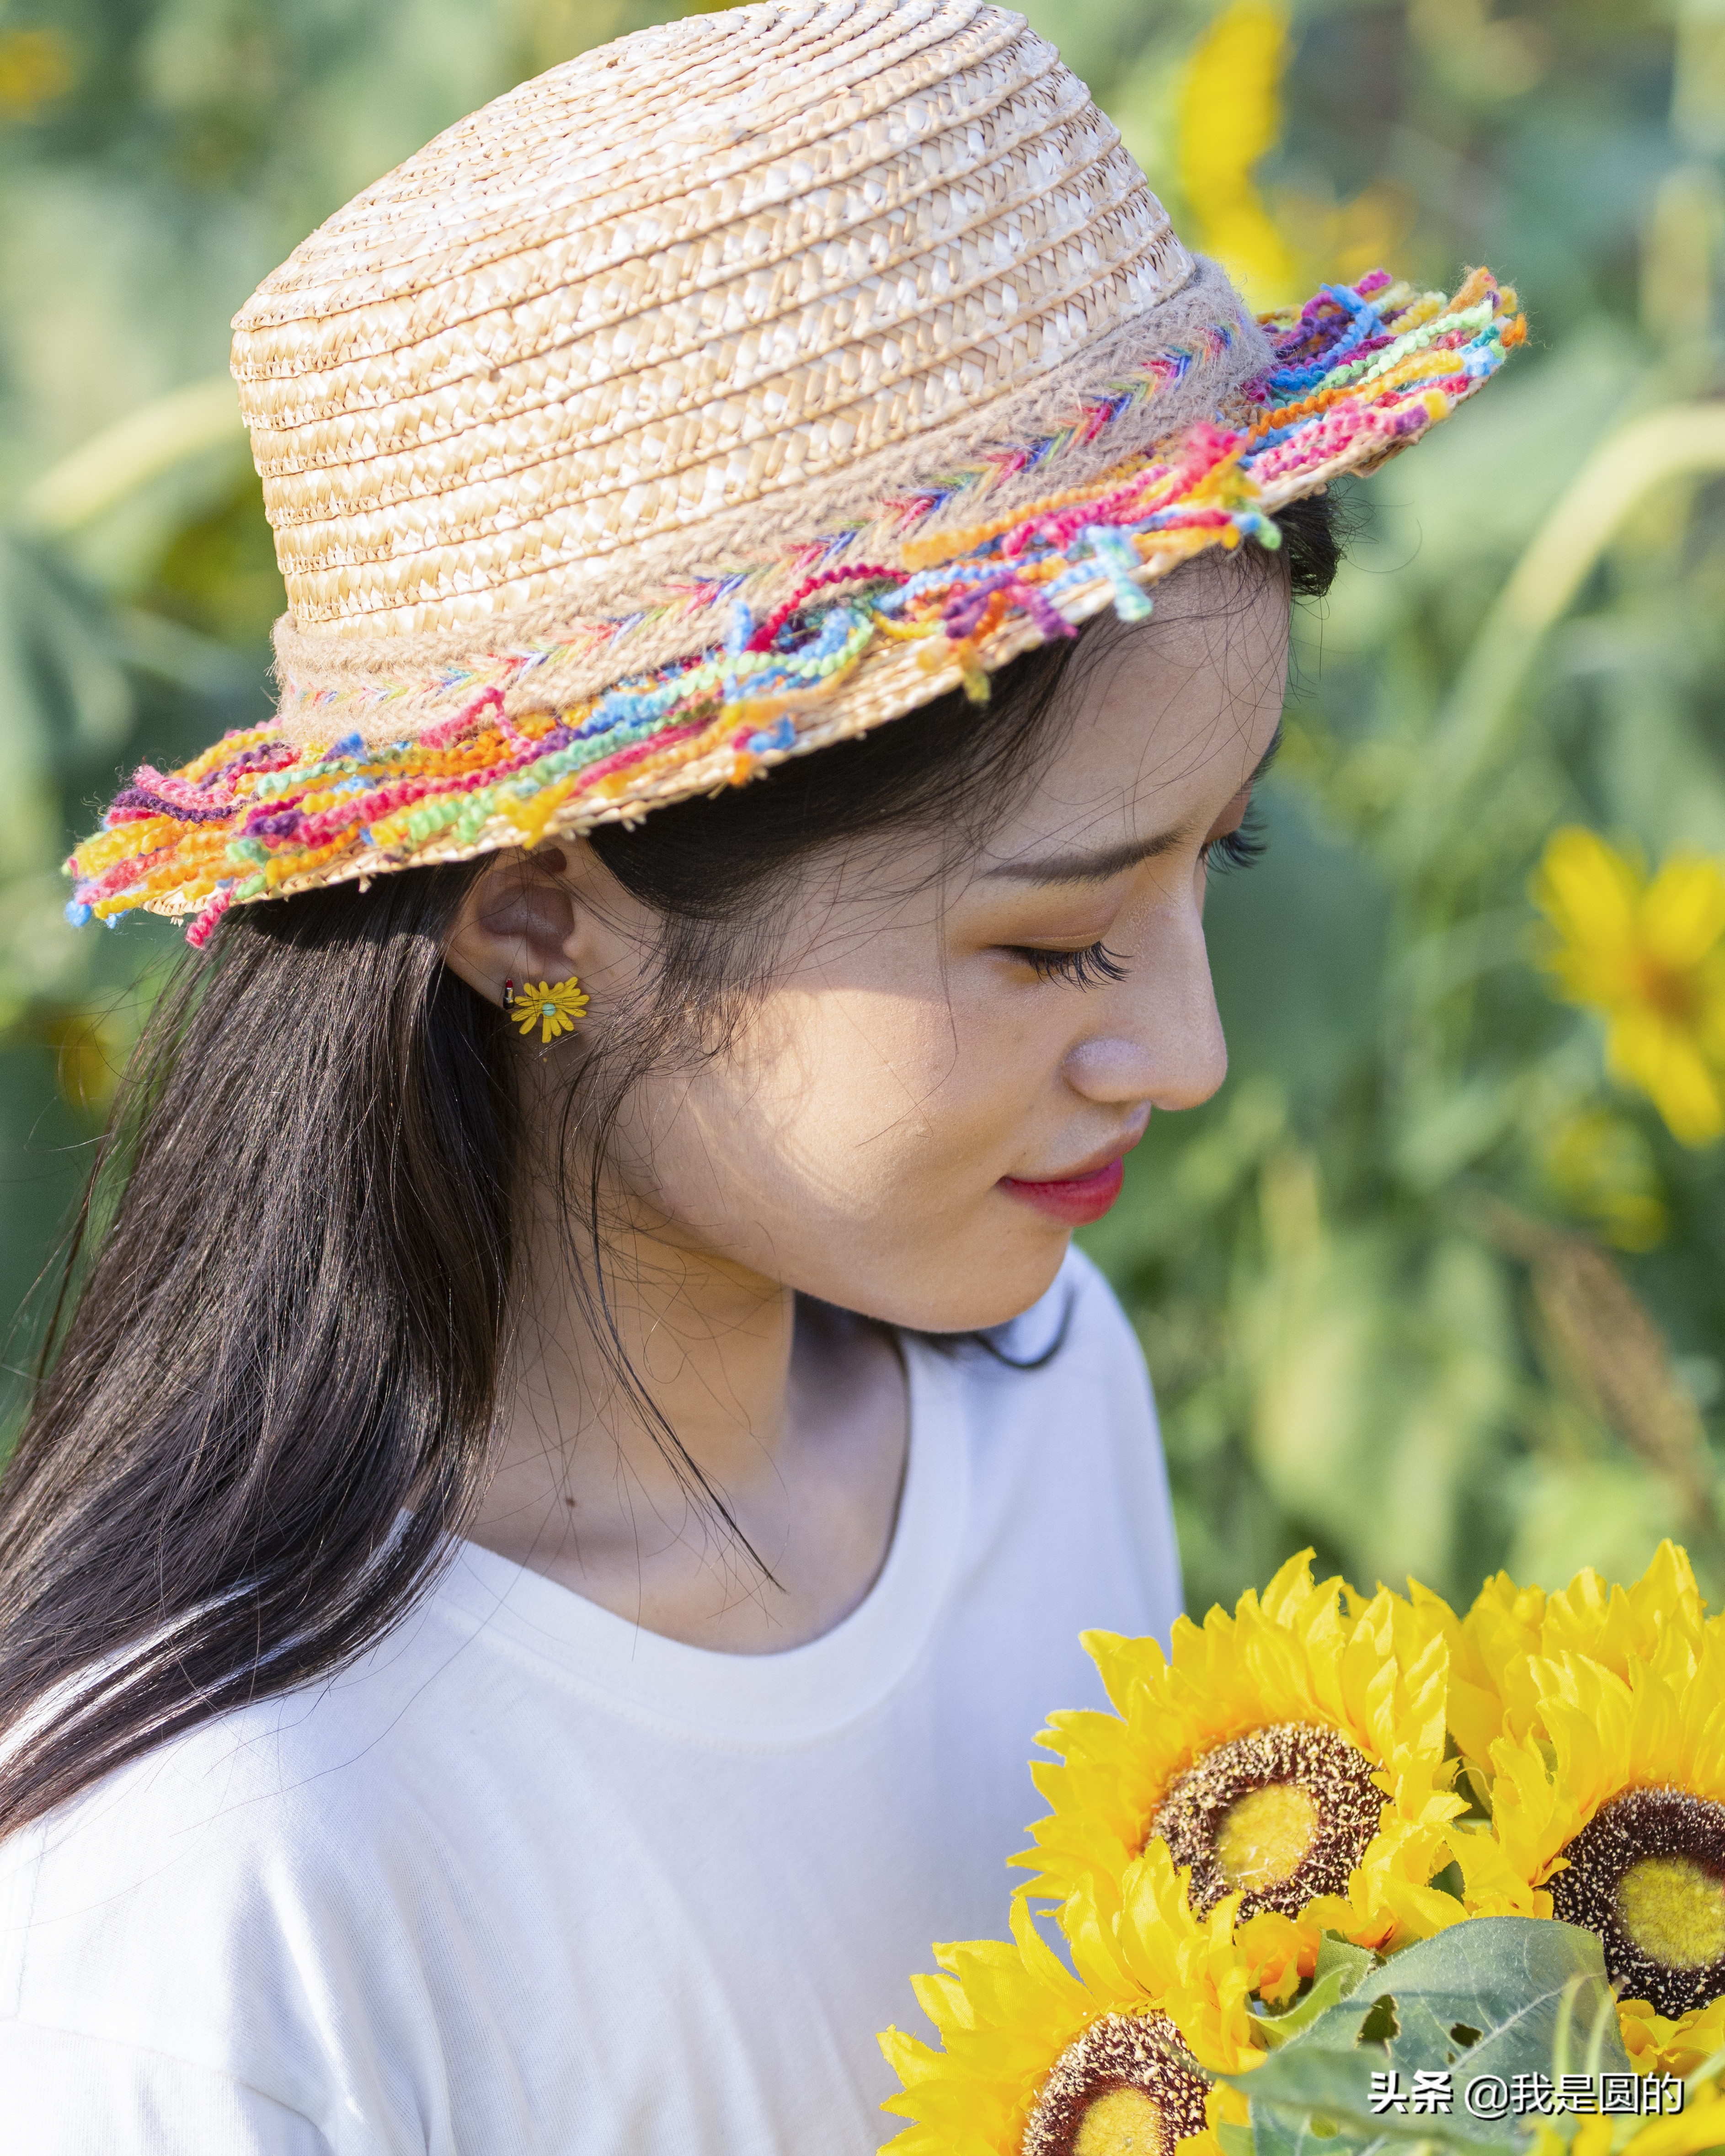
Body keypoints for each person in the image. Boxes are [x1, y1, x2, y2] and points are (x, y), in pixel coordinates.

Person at [0, 2, 1519, 2148]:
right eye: (1046, 937)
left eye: (1223, 852)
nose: (1186, 1051)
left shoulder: (1032, 1405)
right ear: (534, 908)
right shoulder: (218, 1890)